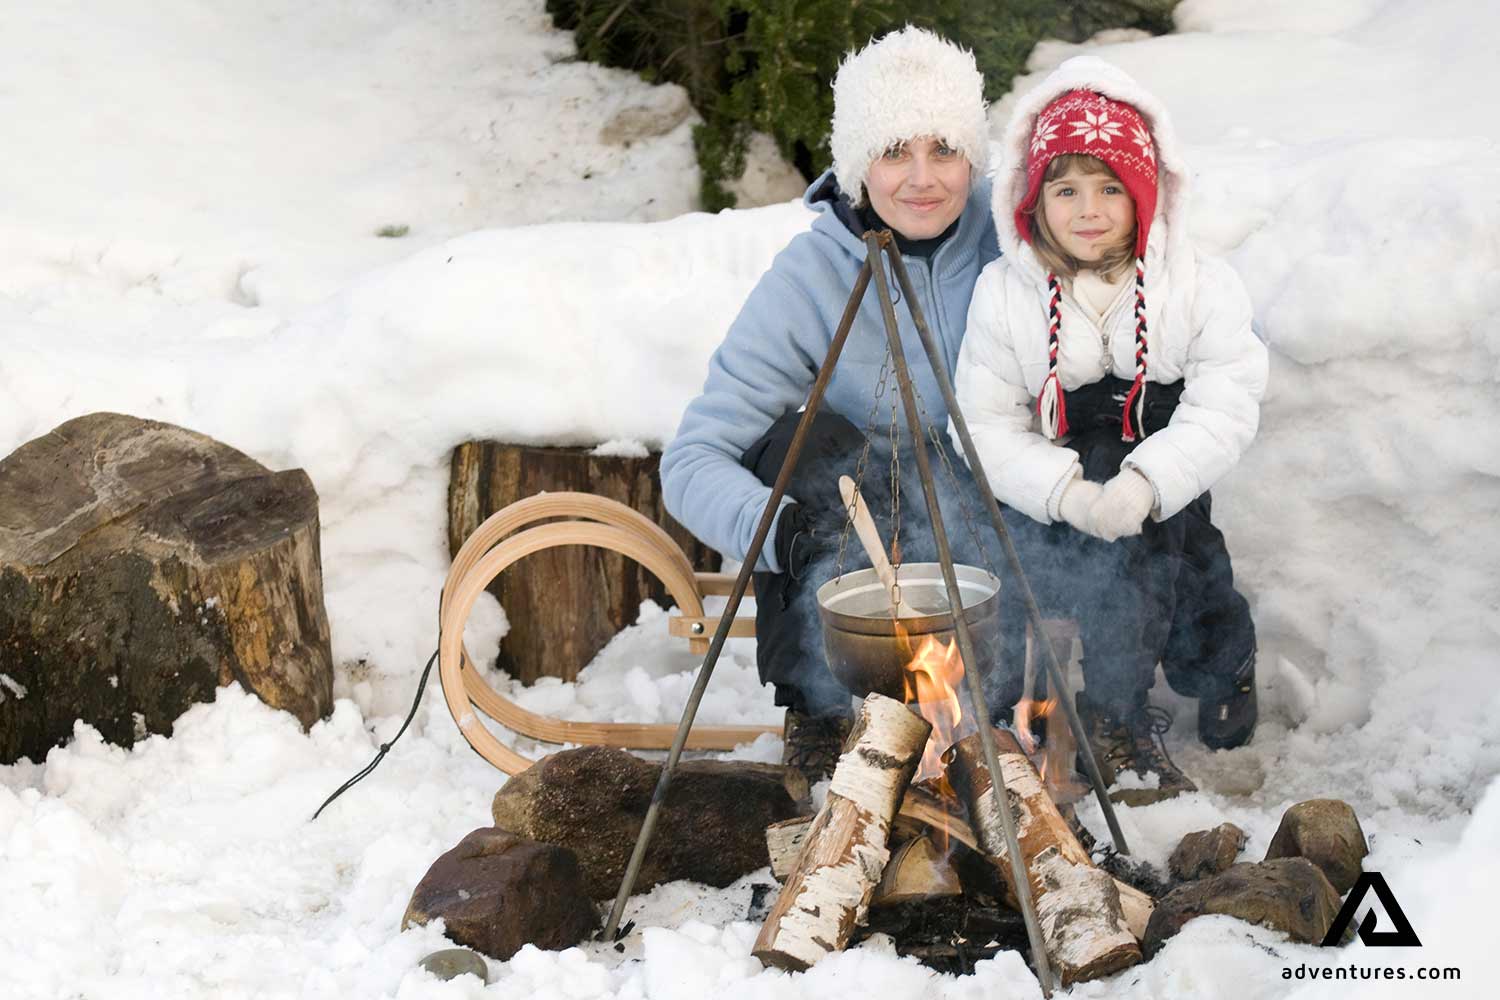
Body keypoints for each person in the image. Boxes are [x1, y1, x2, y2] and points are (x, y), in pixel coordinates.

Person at [660, 27, 998, 781]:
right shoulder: (811, 275)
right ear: (855, 163)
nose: (922, 178)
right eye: (893, 151)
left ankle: (1082, 712)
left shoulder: (1016, 236)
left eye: (944, 148)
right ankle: (815, 713)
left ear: (974, 153)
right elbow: (692, 461)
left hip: (992, 510)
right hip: (867, 531)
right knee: (799, 448)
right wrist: (783, 533)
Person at [953, 57, 1268, 803]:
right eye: (1065, 189)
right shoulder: (1005, 294)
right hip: (1054, 481)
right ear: (1034, 200)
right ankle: (1087, 709)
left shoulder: (1196, 286)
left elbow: (1227, 398)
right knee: (1039, 572)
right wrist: (1066, 495)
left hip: (1161, 479)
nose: (1087, 209)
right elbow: (985, 422)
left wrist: (1148, 484)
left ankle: (1219, 670)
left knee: (1190, 577)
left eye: (1109, 188)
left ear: (1144, 195)